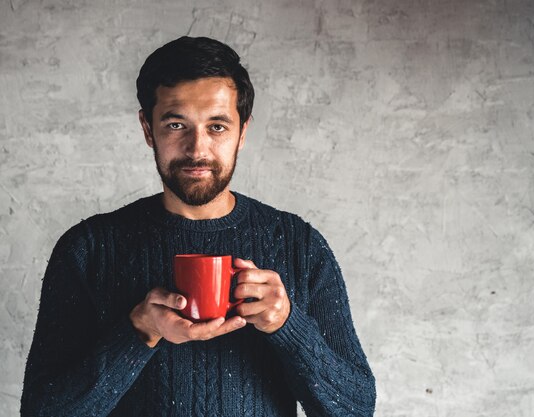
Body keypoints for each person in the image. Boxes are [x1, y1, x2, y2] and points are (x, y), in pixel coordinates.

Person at [20, 36, 376, 416]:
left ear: (243, 132)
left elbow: (356, 409)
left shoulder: (299, 245)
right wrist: (140, 331)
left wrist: (288, 325)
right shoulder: (89, 249)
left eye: (217, 127)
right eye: (176, 124)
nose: (197, 149)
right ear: (147, 128)